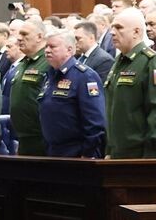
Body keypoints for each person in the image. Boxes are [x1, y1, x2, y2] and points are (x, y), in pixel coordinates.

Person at [104, 9, 156, 159]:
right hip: (118, 154)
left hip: (141, 156)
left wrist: (150, 156)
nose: (112, 32)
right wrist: (109, 150)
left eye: (119, 27)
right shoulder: (119, 62)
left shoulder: (152, 62)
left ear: (136, 32)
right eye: (112, 27)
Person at [39, 30, 106, 158]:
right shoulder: (50, 75)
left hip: (77, 152)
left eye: (52, 47)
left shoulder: (85, 76)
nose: (47, 50)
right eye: (46, 46)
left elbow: (95, 121)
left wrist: (88, 153)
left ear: (69, 50)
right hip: (53, 151)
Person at [7, 20, 51, 155]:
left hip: (42, 137)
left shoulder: (48, 61)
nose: (19, 38)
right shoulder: (24, 63)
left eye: (24, 34)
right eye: (19, 34)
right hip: (24, 137)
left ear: (39, 36)